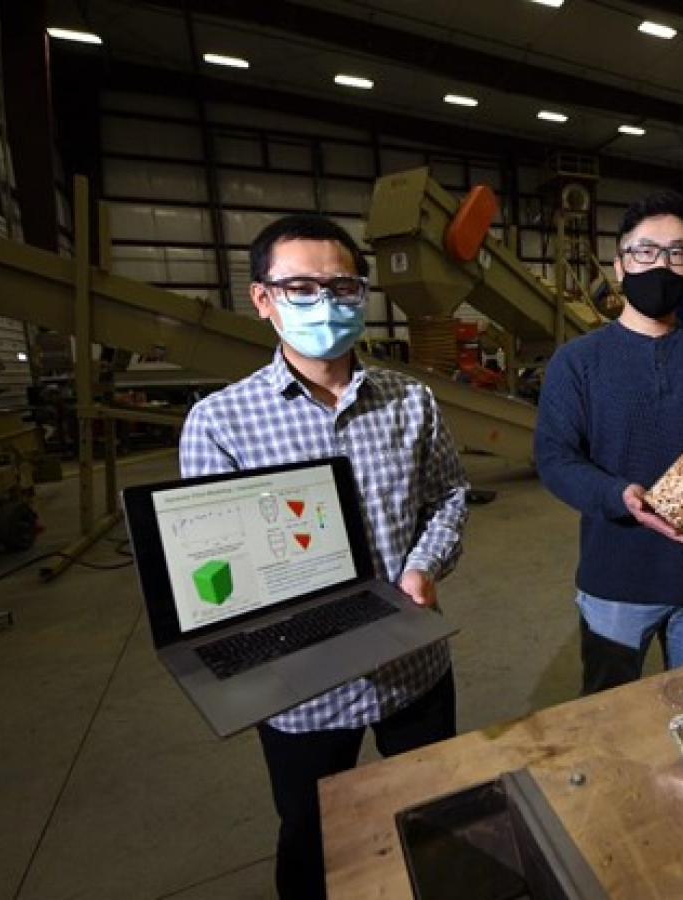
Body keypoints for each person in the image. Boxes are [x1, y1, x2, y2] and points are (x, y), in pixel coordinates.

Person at [179, 214, 469, 900]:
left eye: (341, 286)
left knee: (432, 823)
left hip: (413, 665)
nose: (325, 303)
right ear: (262, 299)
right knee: (310, 843)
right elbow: (211, 565)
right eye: (301, 287)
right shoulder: (220, 423)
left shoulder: (410, 402)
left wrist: (424, 566)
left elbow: (450, 495)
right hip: (302, 690)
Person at [534, 190, 683, 695]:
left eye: (678, 252)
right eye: (646, 251)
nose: (661, 264)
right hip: (616, 580)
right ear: (619, 265)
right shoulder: (578, 361)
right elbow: (554, 457)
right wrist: (617, 495)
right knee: (607, 714)